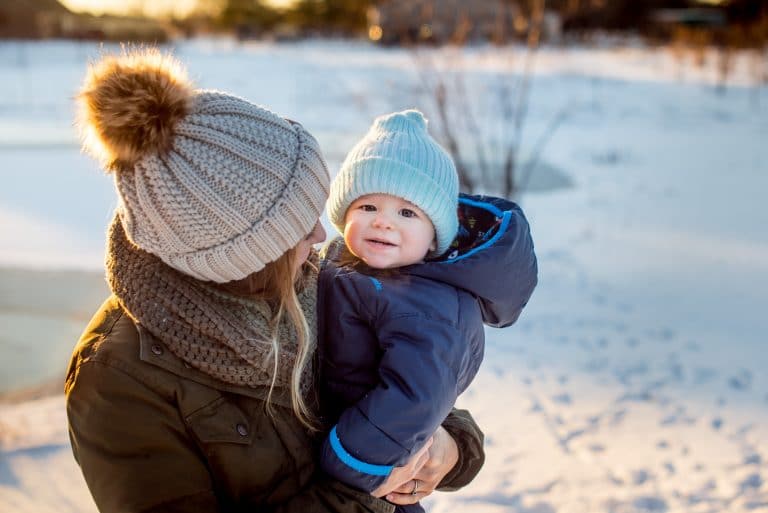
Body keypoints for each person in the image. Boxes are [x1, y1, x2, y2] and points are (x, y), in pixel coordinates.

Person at [65, 50, 487, 513]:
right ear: (241, 256)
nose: (322, 234)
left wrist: (452, 446)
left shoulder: (313, 280)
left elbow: (406, 382)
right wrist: (356, 496)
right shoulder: (119, 380)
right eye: (295, 226)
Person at [316, 110, 538, 512]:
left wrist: (349, 459)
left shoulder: (430, 305)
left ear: (434, 234)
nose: (383, 222)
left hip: (376, 477)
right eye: (367, 207)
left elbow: (415, 396)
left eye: (407, 213)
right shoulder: (336, 261)